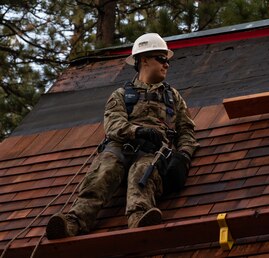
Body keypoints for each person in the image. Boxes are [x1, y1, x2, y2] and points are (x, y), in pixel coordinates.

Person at [46, 33, 199, 239]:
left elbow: (186, 131)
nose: (166, 65)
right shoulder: (121, 95)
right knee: (104, 170)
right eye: (161, 59)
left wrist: (183, 156)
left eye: (167, 60)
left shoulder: (172, 97)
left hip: (153, 152)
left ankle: (139, 217)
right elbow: (113, 124)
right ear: (144, 59)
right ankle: (73, 222)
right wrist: (137, 131)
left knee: (143, 172)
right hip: (120, 147)